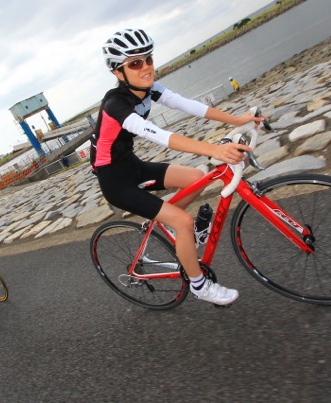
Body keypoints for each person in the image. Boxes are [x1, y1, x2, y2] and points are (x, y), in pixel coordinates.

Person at [93, 28, 264, 306]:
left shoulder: (149, 90)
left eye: (148, 58)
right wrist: (216, 150)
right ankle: (199, 285)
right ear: (118, 72)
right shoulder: (114, 104)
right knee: (183, 222)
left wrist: (236, 120)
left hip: (132, 165)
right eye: (135, 63)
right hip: (115, 181)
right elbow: (158, 135)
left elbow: (189, 106)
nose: (146, 67)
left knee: (196, 177)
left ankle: (163, 220)